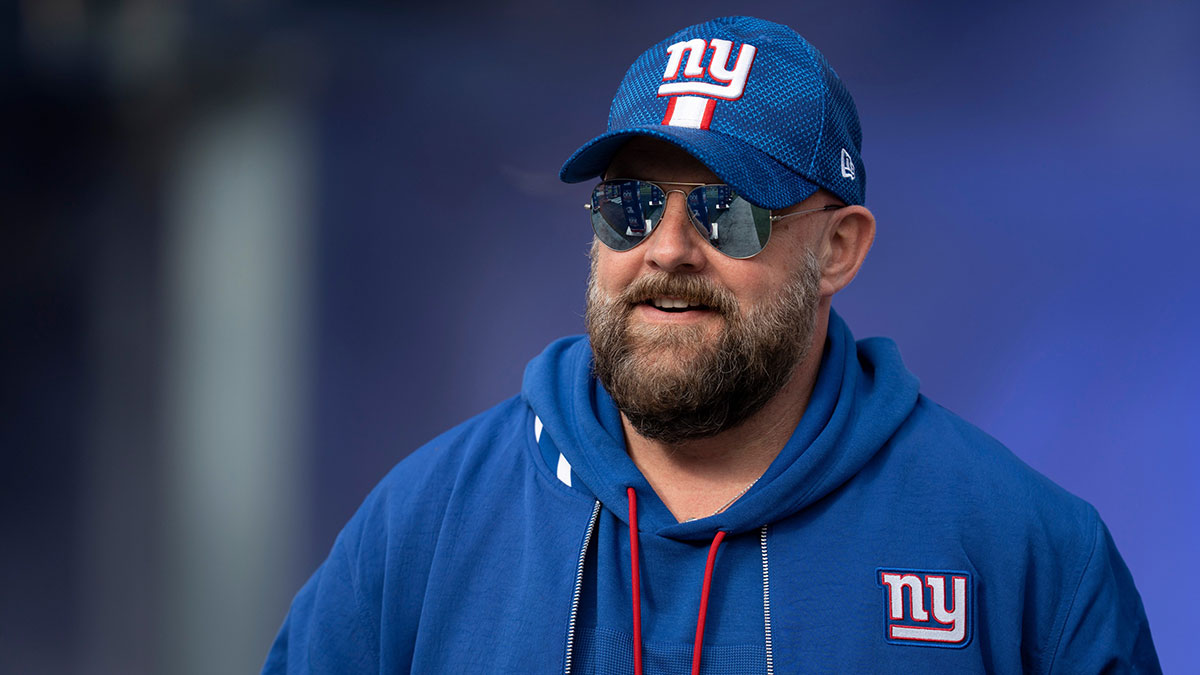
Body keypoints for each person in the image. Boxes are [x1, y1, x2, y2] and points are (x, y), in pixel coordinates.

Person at [263, 16, 1159, 674]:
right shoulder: (426, 523)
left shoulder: (1022, 552)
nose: (666, 249)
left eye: (727, 210)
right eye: (632, 204)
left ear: (838, 248)